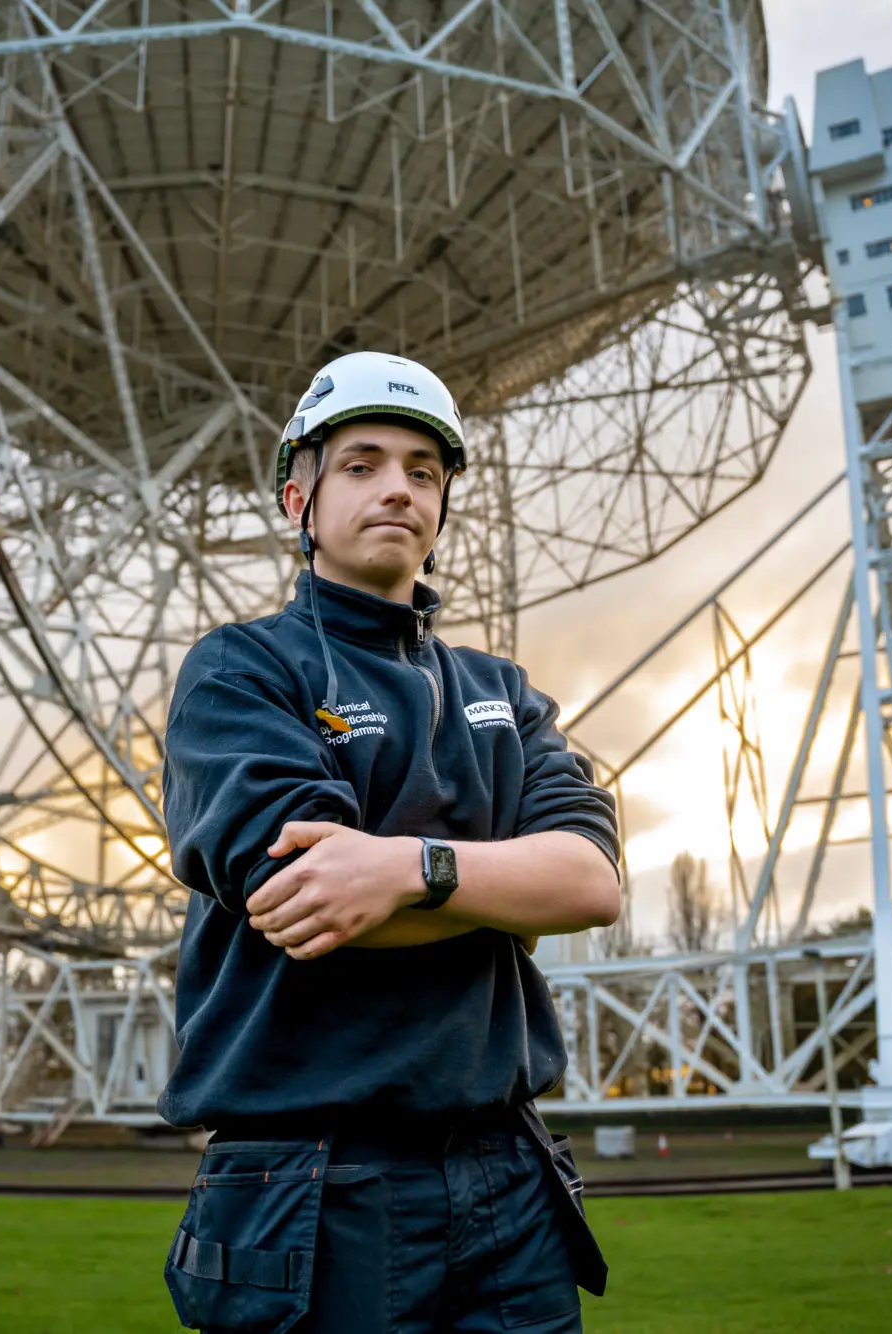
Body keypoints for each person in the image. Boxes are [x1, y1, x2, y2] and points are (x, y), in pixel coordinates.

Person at [156, 351, 623, 1334]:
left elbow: (587, 881)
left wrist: (411, 867)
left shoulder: (502, 690)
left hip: (509, 1172)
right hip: (312, 1182)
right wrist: (501, 888)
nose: (396, 487)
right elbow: (315, 903)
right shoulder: (239, 671)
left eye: (422, 468)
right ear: (300, 495)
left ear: (442, 502)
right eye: (361, 463)